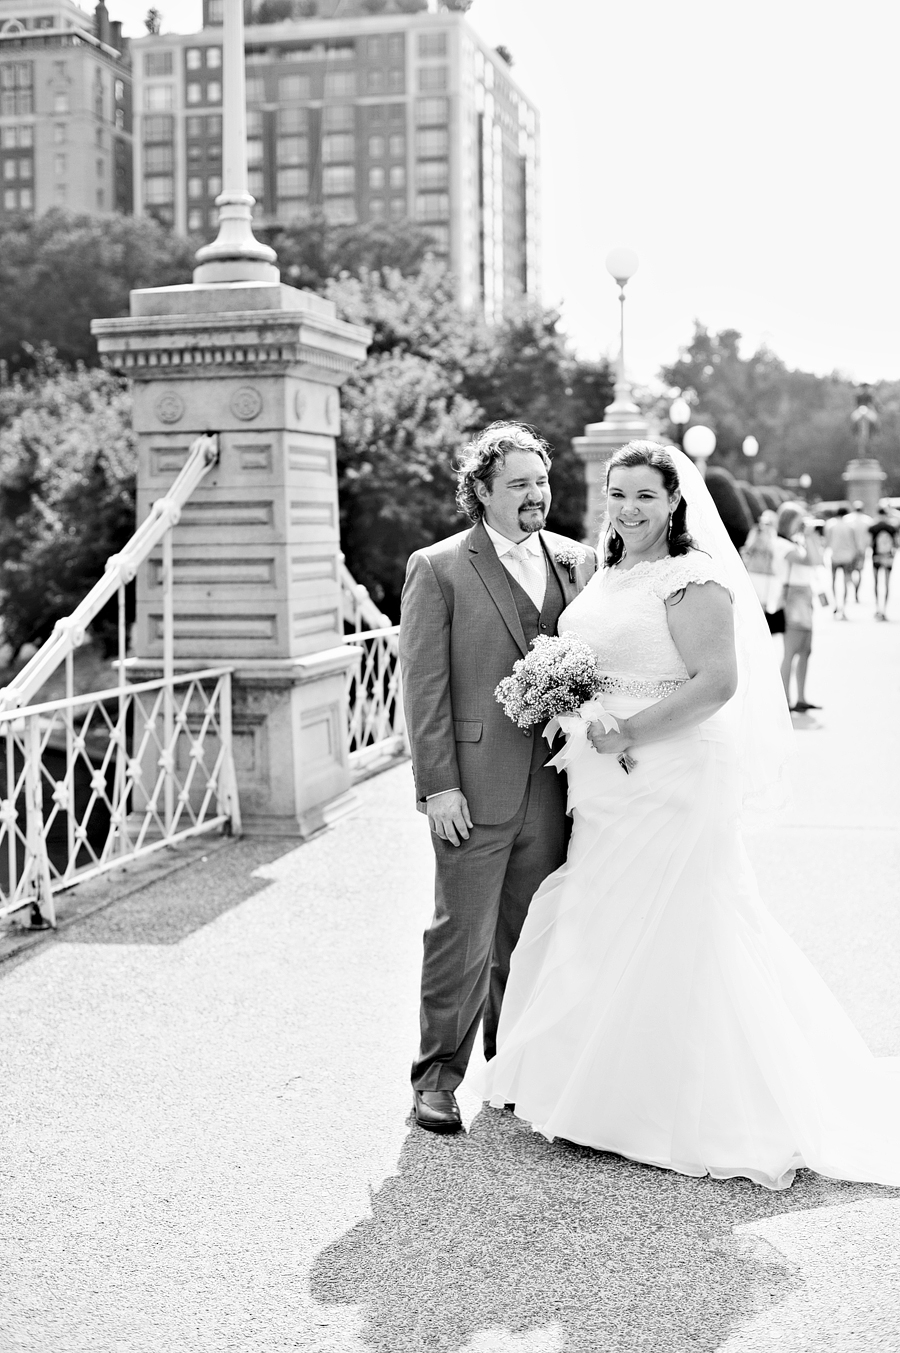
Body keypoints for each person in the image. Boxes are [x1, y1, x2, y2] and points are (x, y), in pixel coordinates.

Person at [481, 440, 900, 1192]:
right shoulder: (606, 573)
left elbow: (718, 682)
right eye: (618, 494)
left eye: (645, 495)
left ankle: (684, 1102)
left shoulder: (693, 577)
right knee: (607, 917)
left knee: (681, 924)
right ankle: (598, 1092)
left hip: (671, 773)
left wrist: (630, 731)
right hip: (604, 782)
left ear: (675, 501)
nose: (629, 508)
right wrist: (567, 702)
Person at [399, 422, 597, 1134]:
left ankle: (512, 1066)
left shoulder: (579, 562)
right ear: (480, 491)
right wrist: (437, 786)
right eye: (518, 483)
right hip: (473, 785)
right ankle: (435, 1078)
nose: (535, 495)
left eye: (540, 481)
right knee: (462, 933)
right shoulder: (440, 567)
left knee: (533, 930)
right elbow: (423, 685)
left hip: (555, 784)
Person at [771, 503, 823, 713]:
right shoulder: (782, 545)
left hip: (805, 596)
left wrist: (808, 537)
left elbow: (817, 560)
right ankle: (786, 698)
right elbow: (810, 560)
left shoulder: (796, 542)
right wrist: (809, 536)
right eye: (798, 520)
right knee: (791, 650)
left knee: (806, 650)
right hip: (793, 598)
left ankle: (801, 697)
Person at [739, 508, 779, 621]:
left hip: (768, 573)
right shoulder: (755, 532)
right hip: (755, 570)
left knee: (766, 604)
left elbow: (774, 552)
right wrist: (758, 536)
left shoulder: (773, 535)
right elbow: (748, 548)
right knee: (755, 602)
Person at [824, 506, 859, 618]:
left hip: (835, 556)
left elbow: (827, 542)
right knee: (845, 583)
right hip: (847, 556)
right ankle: (843, 607)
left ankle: (835, 604)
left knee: (833, 581)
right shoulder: (850, 526)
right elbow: (854, 543)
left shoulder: (830, 525)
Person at [870, 504, 898, 621]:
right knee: (886, 584)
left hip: (876, 556)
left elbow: (870, 543)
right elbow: (896, 543)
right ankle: (884, 609)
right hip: (888, 557)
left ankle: (877, 608)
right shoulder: (892, 527)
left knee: (876, 583)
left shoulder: (874, 527)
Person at [844, 500, 873, 602]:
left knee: (848, 573)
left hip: (849, 550)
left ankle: (851, 590)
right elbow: (869, 538)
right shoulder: (868, 521)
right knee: (860, 572)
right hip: (861, 550)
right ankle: (856, 591)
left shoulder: (847, 519)